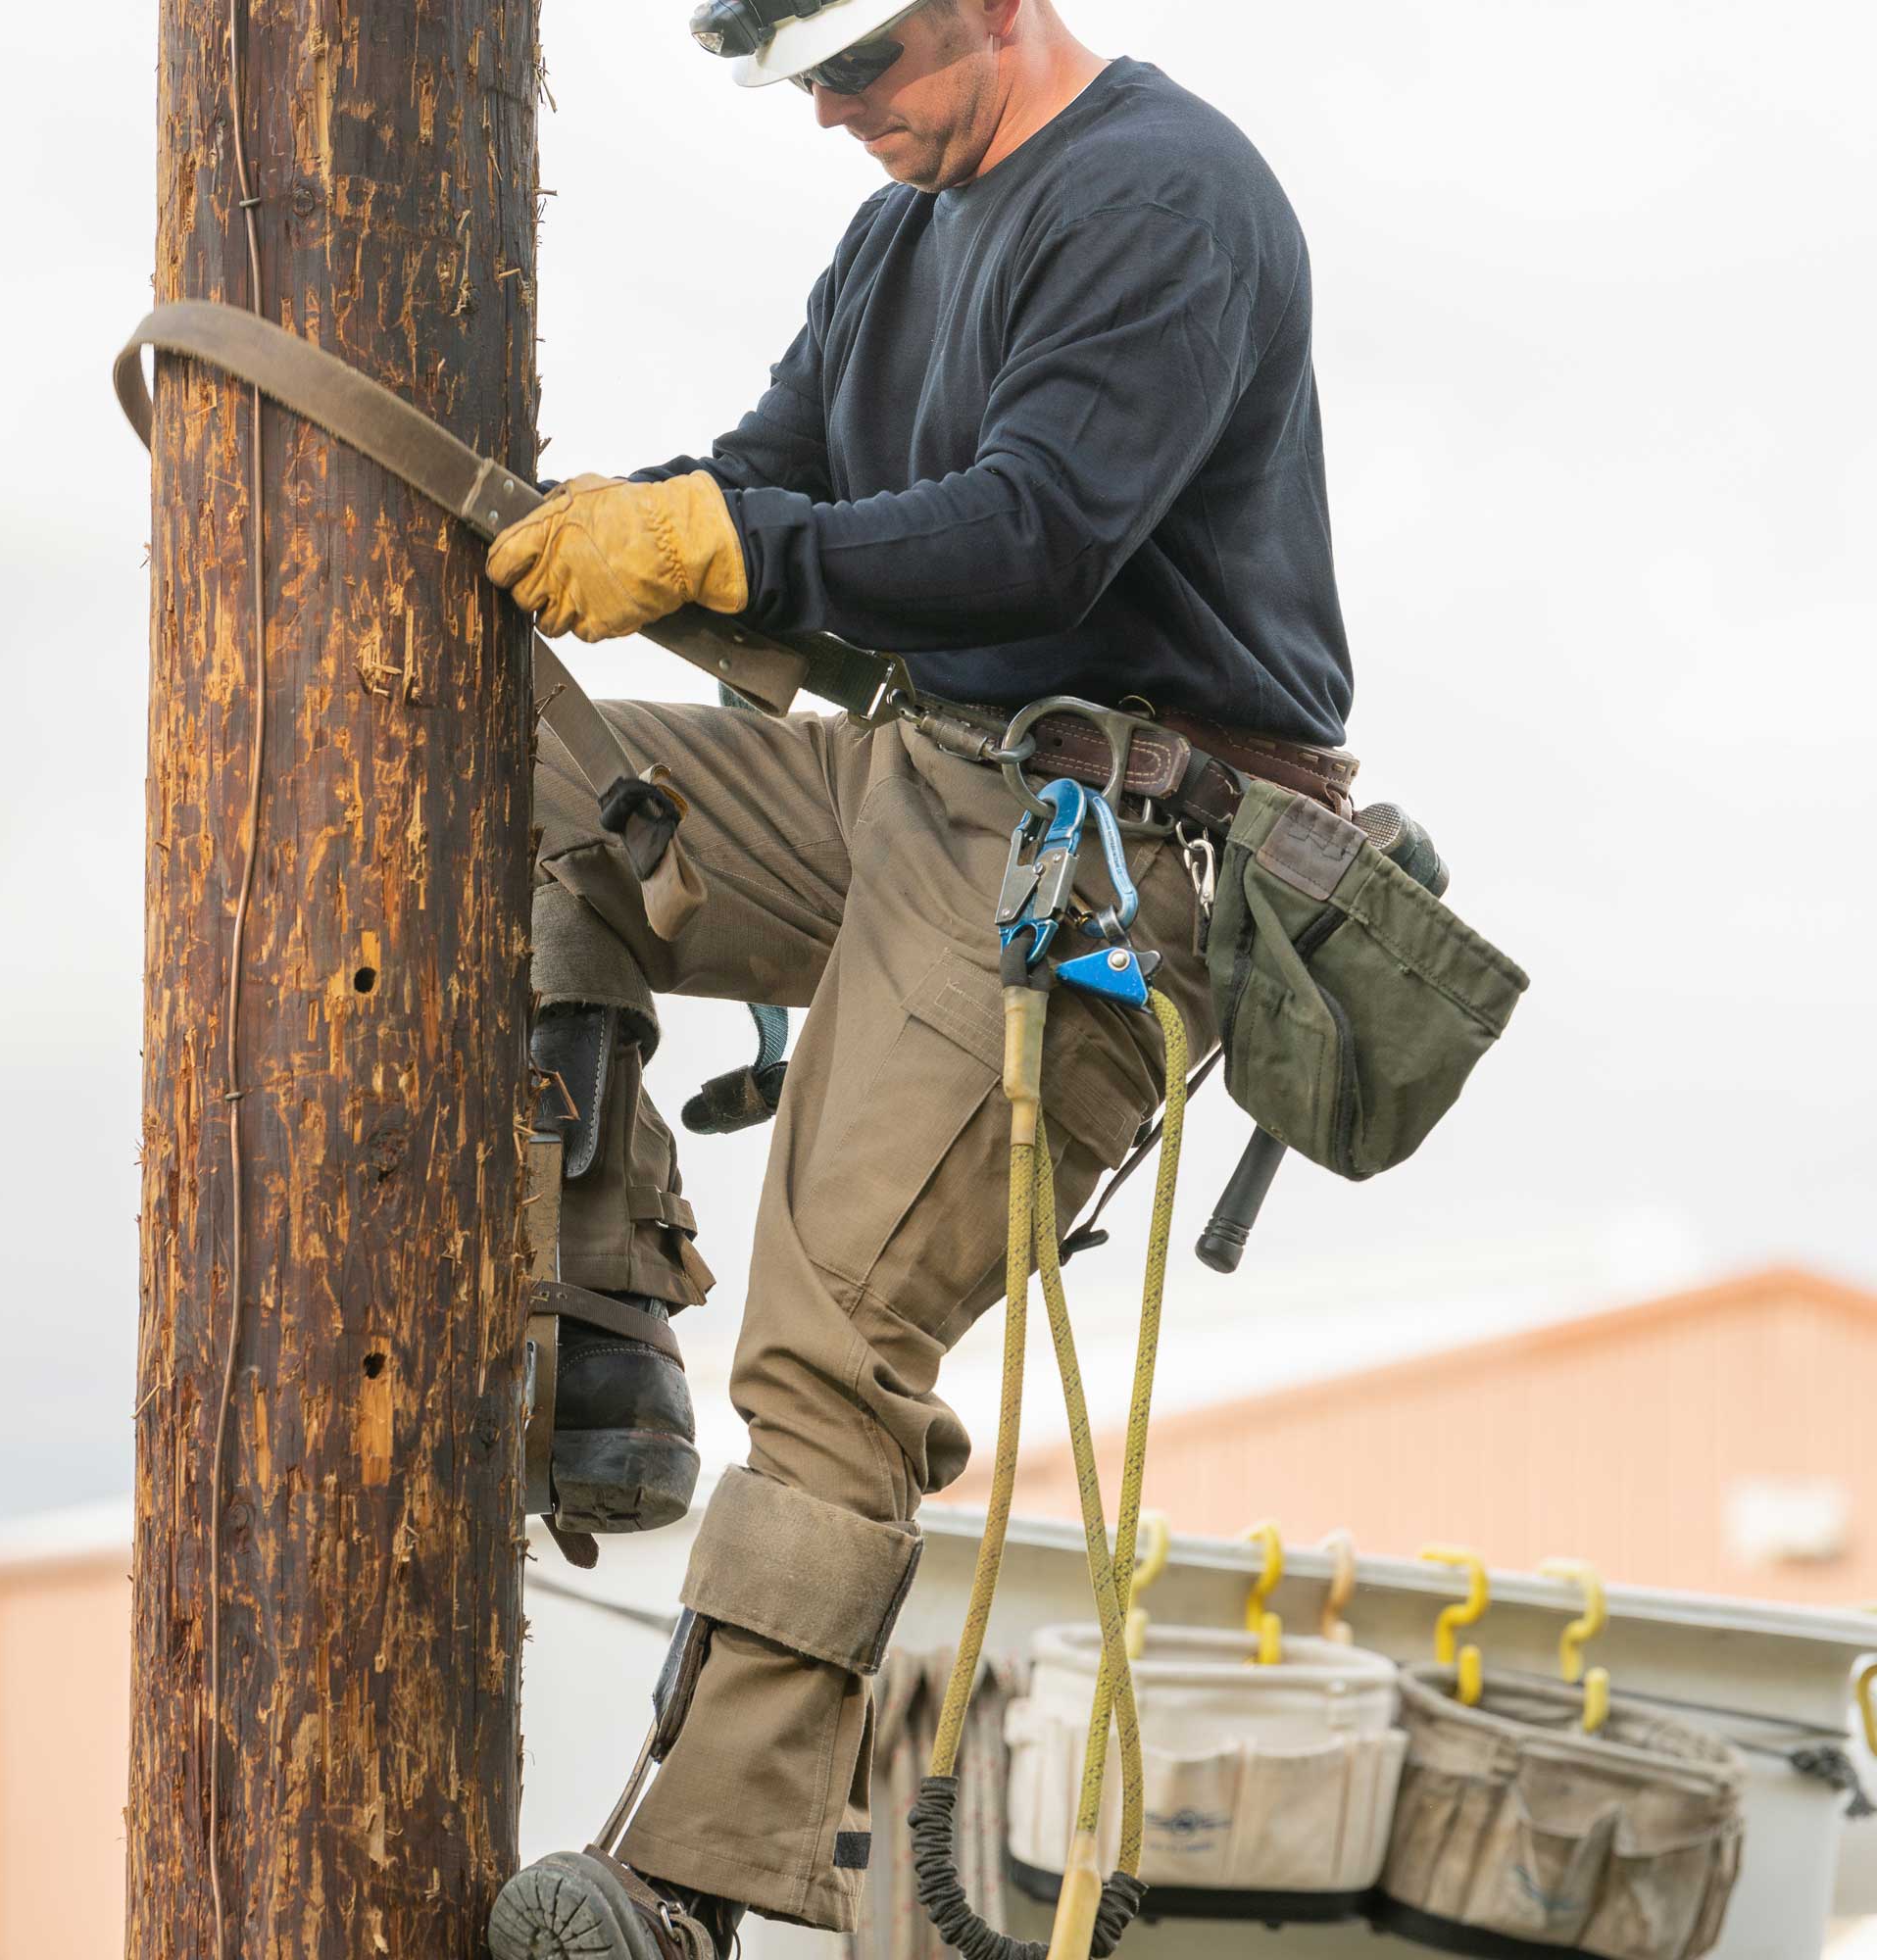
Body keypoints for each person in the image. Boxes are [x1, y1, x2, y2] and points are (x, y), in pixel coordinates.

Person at [485, 3, 1355, 1955]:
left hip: (1105, 850)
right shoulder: (900, 230)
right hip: (902, 775)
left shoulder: (1159, 200)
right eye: (800, 80)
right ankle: (607, 1326)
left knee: (832, 1333)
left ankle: (686, 1885)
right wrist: (615, 522)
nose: (831, 113)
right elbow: (774, 484)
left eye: (858, 65)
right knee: (512, 783)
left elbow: (1028, 538)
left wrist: (725, 540)